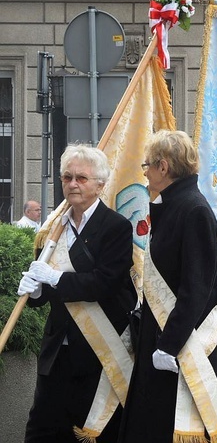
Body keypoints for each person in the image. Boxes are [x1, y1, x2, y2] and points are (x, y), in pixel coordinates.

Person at [118, 130, 217, 443]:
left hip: (184, 343)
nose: (145, 173)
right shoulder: (172, 206)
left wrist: (169, 344)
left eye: (147, 166)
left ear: (164, 167)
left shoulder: (193, 211)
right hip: (165, 338)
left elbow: (196, 288)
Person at [17, 145, 135, 442]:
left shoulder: (116, 227)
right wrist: (34, 292)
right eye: (67, 177)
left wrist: (55, 278)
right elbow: (46, 296)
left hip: (98, 353)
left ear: (100, 184)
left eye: (81, 178)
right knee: (41, 432)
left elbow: (104, 283)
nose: (72, 184)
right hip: (57, 352)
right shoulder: (52, 228)